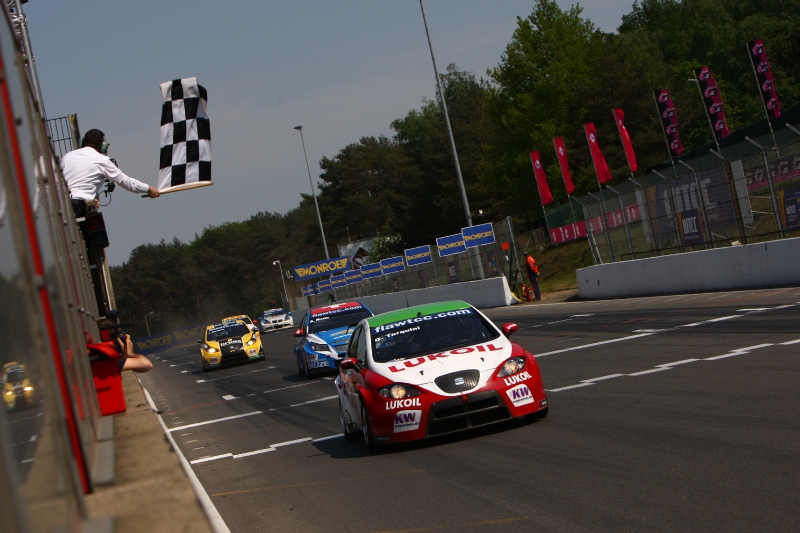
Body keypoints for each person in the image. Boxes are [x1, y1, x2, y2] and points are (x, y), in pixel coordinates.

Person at [61, 129, 159, 218]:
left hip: (60, 204)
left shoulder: (67, 157)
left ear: (82, 142)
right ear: (102, 146)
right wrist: (149, 189)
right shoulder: (101, 160)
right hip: (81, 207)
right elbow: (127, 182)